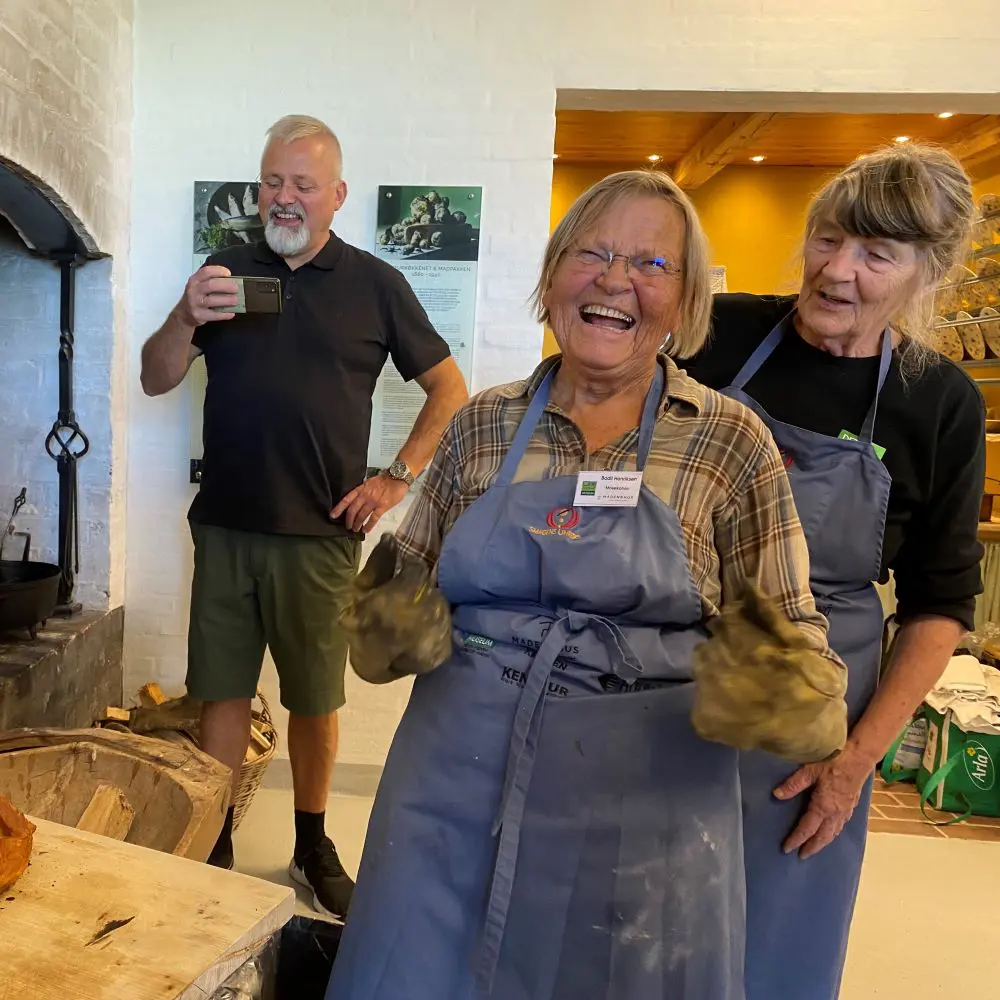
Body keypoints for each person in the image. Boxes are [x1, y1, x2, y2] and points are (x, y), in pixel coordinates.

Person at [326, 170, 849, 1000]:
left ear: (683, 303)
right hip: (457, 782)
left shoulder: (727, 440)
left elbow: (790, 632)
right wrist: (383, 615)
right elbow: (406, 600)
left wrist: (775, 689)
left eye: (651, 264)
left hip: (645, 805)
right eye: (592, 253)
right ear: (552, 274)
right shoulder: (482, 425)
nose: (614, 281)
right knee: (421, 972)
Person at [139, 114, 468, 920]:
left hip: (323, 537)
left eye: (303, 185)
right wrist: (183, 317)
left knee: (315, 700)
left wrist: (396, 479)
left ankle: (312, 844)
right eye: (273, 182)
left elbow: (450, 391)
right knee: (219, 693)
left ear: (337, 196)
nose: (284, 198)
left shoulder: (375, 284)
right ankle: (215, 840)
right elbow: (155, 378)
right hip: (224, 526)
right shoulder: (221, 272)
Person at [683, 143, 985, 1000]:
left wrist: (855, 762)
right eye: (827, 239)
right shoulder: (720, 335)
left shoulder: (938, 401)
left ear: (926, 276)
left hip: (807, 726)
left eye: (874, 255)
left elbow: (939, 605)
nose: (836, 270)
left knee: (775, 948)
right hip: (667, 675)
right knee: (637, 926)